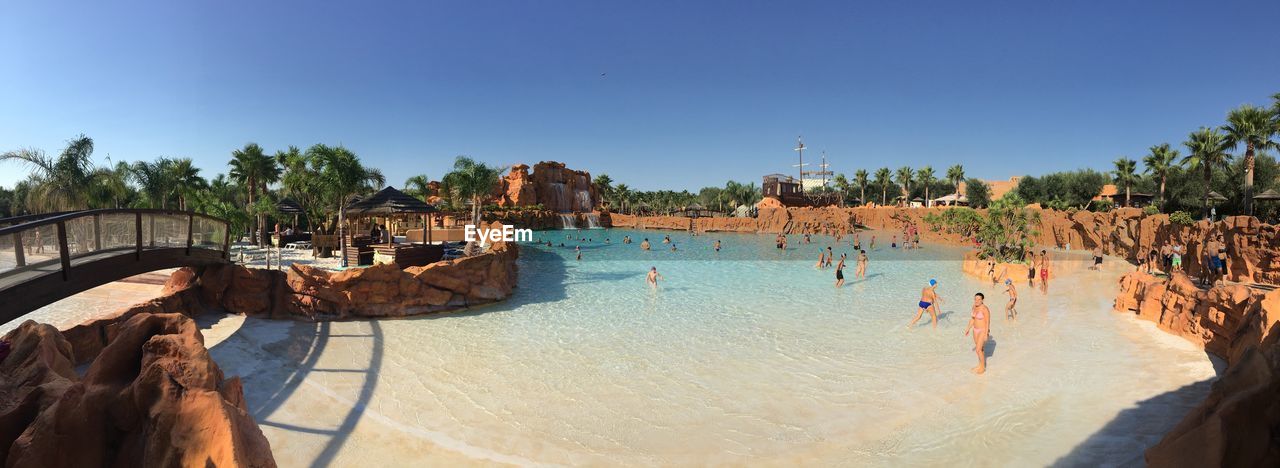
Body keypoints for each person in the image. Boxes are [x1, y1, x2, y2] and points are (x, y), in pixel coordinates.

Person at [965, 292, 992, 374]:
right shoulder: (974, 307)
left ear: (982, 300)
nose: (976, 301)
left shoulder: (985, 309)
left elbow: (988, 322)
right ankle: (980, 364)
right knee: (980, 349)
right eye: (975, 299)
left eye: (979, 299)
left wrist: (986, 334)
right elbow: (973, 319)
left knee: (977, 350)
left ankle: (983, 367)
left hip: (982, 330)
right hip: (975, 330)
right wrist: (968, 328)